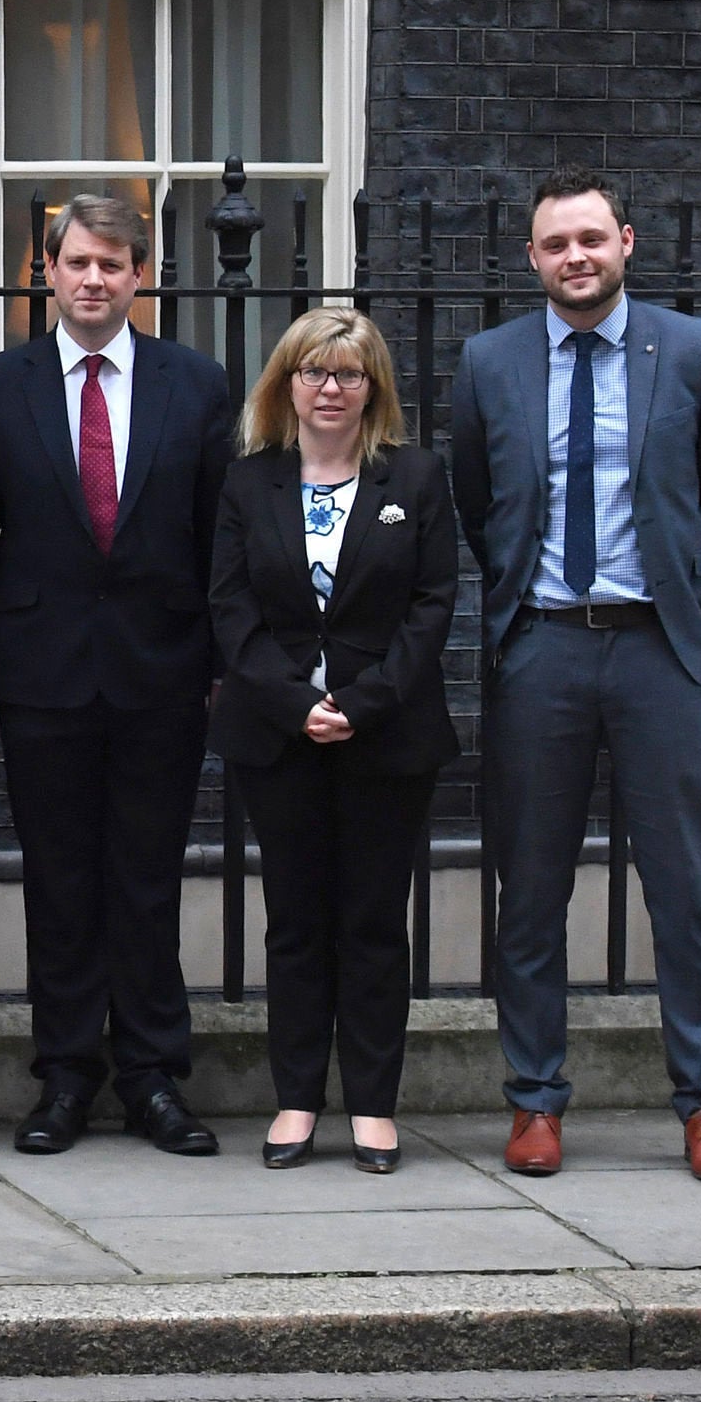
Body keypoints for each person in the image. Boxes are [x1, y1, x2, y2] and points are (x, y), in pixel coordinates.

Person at [450, 168, 701, 1186]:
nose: (574, 257)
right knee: (528, 884)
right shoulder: (487, 361)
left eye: (590, 238)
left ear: (624, 240)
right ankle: (533, 1102)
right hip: (540, 644)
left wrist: (663, 587)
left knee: (682, 886)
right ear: (529, 259)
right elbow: (472, 494)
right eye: (554, 244)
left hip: (655, 645)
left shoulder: (693, 350)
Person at [0, 192, 234, 1159]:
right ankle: (66, 1076)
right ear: (48, 268)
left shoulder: (196, 385)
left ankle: (155, 1079)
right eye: (77, 262)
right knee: (61, 884)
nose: (94, 280)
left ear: (140, 276)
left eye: (113, 265)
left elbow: (219, 541)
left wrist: (222, 667)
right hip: (40, 674)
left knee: (149, 882)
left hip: (164, 672)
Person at [209, 308, 458, 1175]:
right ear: (286, 383)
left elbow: (433, 609)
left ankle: (375, 1107)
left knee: (373, 924)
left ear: (372, 388)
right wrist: (292, 703)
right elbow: (230, 609)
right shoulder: (249, 484)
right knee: (296, 925)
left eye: (348, 373)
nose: (329, 388)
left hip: (386, 739)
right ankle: (296, 1099)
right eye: (313, 371)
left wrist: (361, 701)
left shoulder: (416, 479)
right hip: (279, 740)